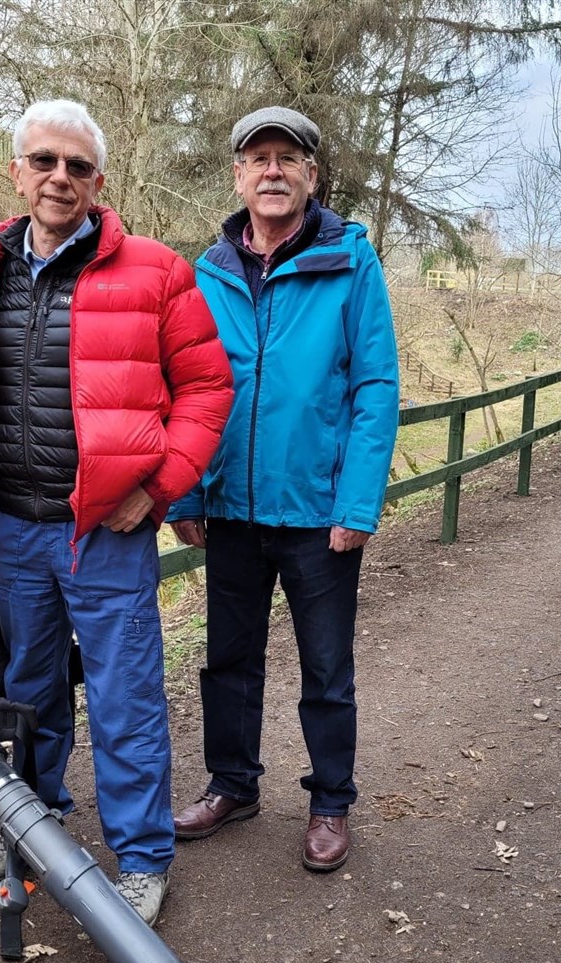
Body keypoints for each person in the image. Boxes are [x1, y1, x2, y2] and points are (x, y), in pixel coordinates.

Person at [0, 99, 233, 926]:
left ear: (99, 182)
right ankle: (32, 835)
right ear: (17, 172)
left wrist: (161, 487)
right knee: (28, 693)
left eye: (76, 166)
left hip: (105, 534)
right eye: (44, 161)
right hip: (13, 529)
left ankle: (143, 859)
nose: (59, 178)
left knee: (125, 696)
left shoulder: (155, 271)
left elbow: (210, 388)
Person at [167, 106, 399, 872]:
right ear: (238, 175)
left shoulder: (349, 262)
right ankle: (234, 784)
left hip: (318, 514)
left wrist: (358, 503)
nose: (272, 170)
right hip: (230, 510)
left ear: (311, 176)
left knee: (325, 667)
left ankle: (331, 800)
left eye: (287, 159)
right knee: (227, 660)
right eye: (257, 158)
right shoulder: (207, 272)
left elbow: (375, 387)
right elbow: (190, 387)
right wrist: (187, 492)